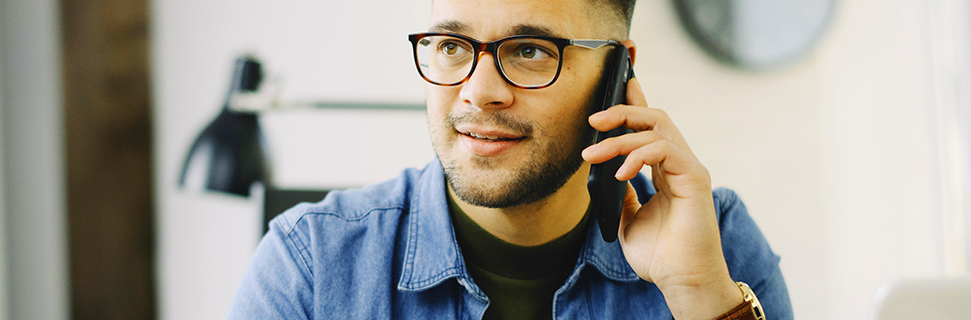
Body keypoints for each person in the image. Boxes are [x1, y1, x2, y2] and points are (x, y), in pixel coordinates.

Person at [228, 0, 792, 318]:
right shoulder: (312, 266)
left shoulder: (715, 243)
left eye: (528, 51)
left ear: (618, 74)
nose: (478, 92)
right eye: (452, 47)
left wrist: (698, 294)